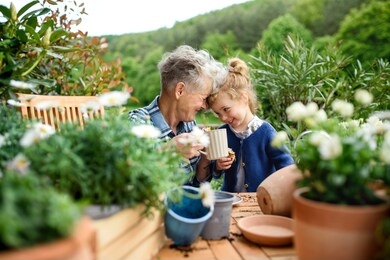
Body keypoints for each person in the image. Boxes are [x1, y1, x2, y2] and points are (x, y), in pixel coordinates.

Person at [128, 45, 227, 187]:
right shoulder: (137, 123)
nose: (205, 106)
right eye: (203, 98)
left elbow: (195, 187)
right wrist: (168, 151)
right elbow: (128, 176)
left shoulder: (188, 126)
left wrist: (205, 158)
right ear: (180, 90)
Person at [198, 57, 295, 192]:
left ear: (244, 98)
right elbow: (214, 172)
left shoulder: (266, 132)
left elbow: (286, 165)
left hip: (259, 201)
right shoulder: (223, 133)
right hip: (230, 199)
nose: (223, 117)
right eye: (218, 114)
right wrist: (218, 166)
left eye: (226, 109)